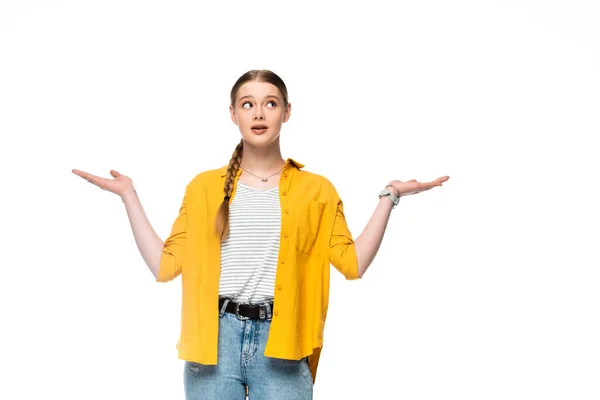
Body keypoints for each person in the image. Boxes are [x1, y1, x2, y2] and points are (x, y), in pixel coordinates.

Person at [72, 69, 449, 399]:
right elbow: (164, 266)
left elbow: (353, 264)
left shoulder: (316, 190)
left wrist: (390, 196)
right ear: (233, 113)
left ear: (286, 112)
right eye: (247, 104)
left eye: (270, 103)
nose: (258, 113)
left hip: (283, 342)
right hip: (213, 343)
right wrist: (129, 196)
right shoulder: (203, 188)